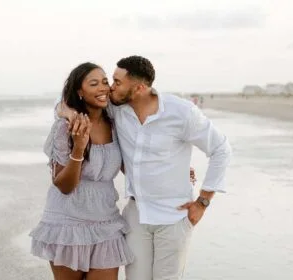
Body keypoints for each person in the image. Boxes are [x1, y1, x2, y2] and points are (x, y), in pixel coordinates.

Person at [58, 55, 232, 280]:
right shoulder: (117, 108)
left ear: (139, 88)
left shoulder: (181, 112)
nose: (111, 87)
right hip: (136, 216)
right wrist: (71, 114)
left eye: (117, 82)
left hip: (174, 216)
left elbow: (221, 148)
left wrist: (203, 201)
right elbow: (66, 102)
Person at [29, 62, 134, 280]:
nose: (103, 88)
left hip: (106, 222)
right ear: (80, 91)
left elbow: (137, 159)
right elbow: (64, 185)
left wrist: (176, 170)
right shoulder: (64, 127)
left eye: (105, 82)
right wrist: (78, 146)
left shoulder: (116, 122)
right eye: (93, 84)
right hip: (68, 224)